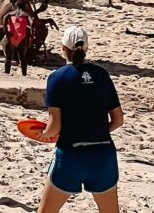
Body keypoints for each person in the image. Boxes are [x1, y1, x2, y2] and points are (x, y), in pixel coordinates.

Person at [36, 26, 123, 213]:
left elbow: (54, 127)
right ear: (87, 49)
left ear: (63, 49)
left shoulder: (57, 78)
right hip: (103, 155)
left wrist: (42, 135)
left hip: (71, 155)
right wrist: (95, 131)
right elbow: (118, 120)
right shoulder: (102, 75)